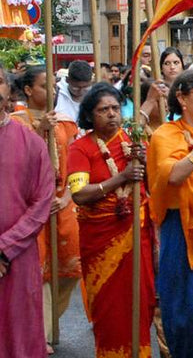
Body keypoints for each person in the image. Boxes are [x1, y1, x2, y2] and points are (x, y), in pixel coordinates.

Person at [68, 83, 157, 356]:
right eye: (103, 110)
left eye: (115, 108)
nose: (111, 114)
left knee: (140, 304)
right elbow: (80, 195)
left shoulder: (136, 141)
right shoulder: (80, 148)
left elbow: (155, 187)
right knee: (110, 310)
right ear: (89, 115)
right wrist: (121, 177)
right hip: (100, 241)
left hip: (137, 237)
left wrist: (147, 162)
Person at [148, 69, 193, 358]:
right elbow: (172, 175)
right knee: (182, 314)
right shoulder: (166, 134)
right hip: (181, 229)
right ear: (182, 98)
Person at [13, 67, 82, 349]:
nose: (52, 91)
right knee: (36, 270)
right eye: (45, 86)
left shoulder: (65, 122)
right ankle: (38, 335)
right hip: (29, 207)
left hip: (62, 204)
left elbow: (75, 162)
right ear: (29, 90)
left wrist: (67, 197)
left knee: (70, 267)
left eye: (54, 86)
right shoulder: (15, 123)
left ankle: (49, 323)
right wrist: (38, 132)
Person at [0, 72, 54, 356]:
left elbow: (42, 201)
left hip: (17, 259)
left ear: (9, 90)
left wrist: (4, 248)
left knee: (18, 334)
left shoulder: (30, 141)